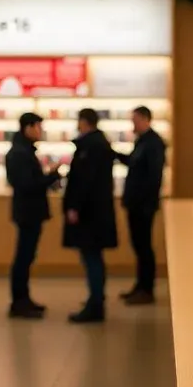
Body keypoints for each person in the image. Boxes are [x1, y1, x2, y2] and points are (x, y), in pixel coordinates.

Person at [63, 108, 118, 324]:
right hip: (97, 211)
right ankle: (96, 299)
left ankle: (95, 303)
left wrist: (74, 206)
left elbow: (84, 181)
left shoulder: (90, 147)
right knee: (94, 256)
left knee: (91, 256)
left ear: (84, 122)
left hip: (90, 214)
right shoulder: (100, 144)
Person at [5, 113, 62, 319]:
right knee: (23, 257)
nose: (41, 131)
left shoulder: (24, 151)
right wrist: (51, 176)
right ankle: (19, 301)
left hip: (30, 211)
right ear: (27, 128)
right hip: (28, 212)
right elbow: (27, 184)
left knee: (27, 256)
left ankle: (24, 299)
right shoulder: (20, 154)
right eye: (38, 126)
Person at [114, 106, 166, 305]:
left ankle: (146, 288)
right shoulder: (143, 142)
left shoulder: (153, 143)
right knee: (139, 245)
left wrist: (146, 201)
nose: (132, 124)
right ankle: (140, 285)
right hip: (136, 203)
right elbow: (135, 164)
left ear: (145, 119)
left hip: (143, 205)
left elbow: (154, 177)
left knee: (144, 246)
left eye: (135, 120)